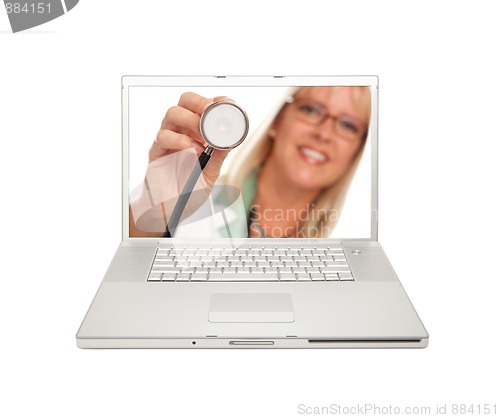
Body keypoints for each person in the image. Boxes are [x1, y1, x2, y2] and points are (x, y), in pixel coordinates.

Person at [129, 86, 371, 238]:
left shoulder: (350, 251)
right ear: (278, 121)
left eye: (348, 125)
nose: (324, 133)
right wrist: (157, 215)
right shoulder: (190, 193)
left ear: (357, 149)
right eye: (311, 110)